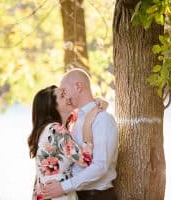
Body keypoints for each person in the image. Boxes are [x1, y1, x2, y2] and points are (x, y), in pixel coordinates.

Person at [42, 69, 118, 200]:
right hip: (75, 195)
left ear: (78, 86)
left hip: (95, 196)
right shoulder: (75, 120)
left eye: (64, 91)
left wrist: (64, 187)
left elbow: (100, 166)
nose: (65, 97)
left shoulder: (102, 119)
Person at [28, 85, 108, 200]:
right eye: (62, 95)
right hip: (57, 195)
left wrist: (95, 104)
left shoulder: (48, 129)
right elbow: (86, 160)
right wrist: (87, 124)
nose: (68, 97)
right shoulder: (56, 130)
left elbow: (78, 111)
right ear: (53, 107)